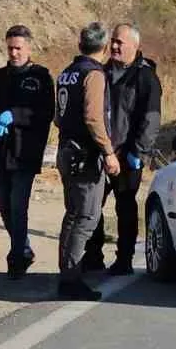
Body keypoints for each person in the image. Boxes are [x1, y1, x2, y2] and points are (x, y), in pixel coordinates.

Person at [0, 25, 55, 280]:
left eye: (18, 48)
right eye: (10, 48)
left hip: (25, 152)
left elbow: (45, 114)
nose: (14, 53)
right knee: (4, 207)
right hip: (0, 151)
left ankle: (16, 258)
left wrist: (16, 115)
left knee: (18, 205)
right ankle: (24, 248)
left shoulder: (41, 77)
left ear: (29, 48)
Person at [85, 23, 162, 276]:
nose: (115, 46)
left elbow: (151, 119)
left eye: (120, 42)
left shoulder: (145, 77)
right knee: (92, 205)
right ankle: (93, 254)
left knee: (125, 208)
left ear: (135, 46)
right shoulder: (102, 72)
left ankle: (124, 259)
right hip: (101, 152)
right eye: (113, 41)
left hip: (128, 155)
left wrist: (138, 152)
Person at [53, 22, 121, 302]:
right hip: (85, 155)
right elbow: (93, 117)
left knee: (72, 215)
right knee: (86, 217)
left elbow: (58, 116)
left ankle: (66, 275)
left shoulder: (67, 73)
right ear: (104, 47)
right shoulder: (93, 74)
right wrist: (108, 152)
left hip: (66, 149)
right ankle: (72, 277)